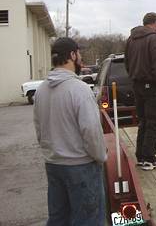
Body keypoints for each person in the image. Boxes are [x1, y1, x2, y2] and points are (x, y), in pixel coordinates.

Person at [33, 37, 107, 226]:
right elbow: (91, 131)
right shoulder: (79, 89)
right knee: (88, 220)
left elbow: (39, 129)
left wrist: (51, 154)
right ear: (72, 55)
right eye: (79, 53)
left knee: (59, 219)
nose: (81, 58)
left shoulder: (41, 90)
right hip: (81, 167)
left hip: (54, 165)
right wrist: (100, 157)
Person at [125, 12, 156, 171]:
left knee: (144, 121)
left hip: (137, 86)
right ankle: (149, 159)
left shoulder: (131, 39)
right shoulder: (154, 38)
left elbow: (127, 63)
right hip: (154, 87)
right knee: (155, 123)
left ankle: (141, 157)